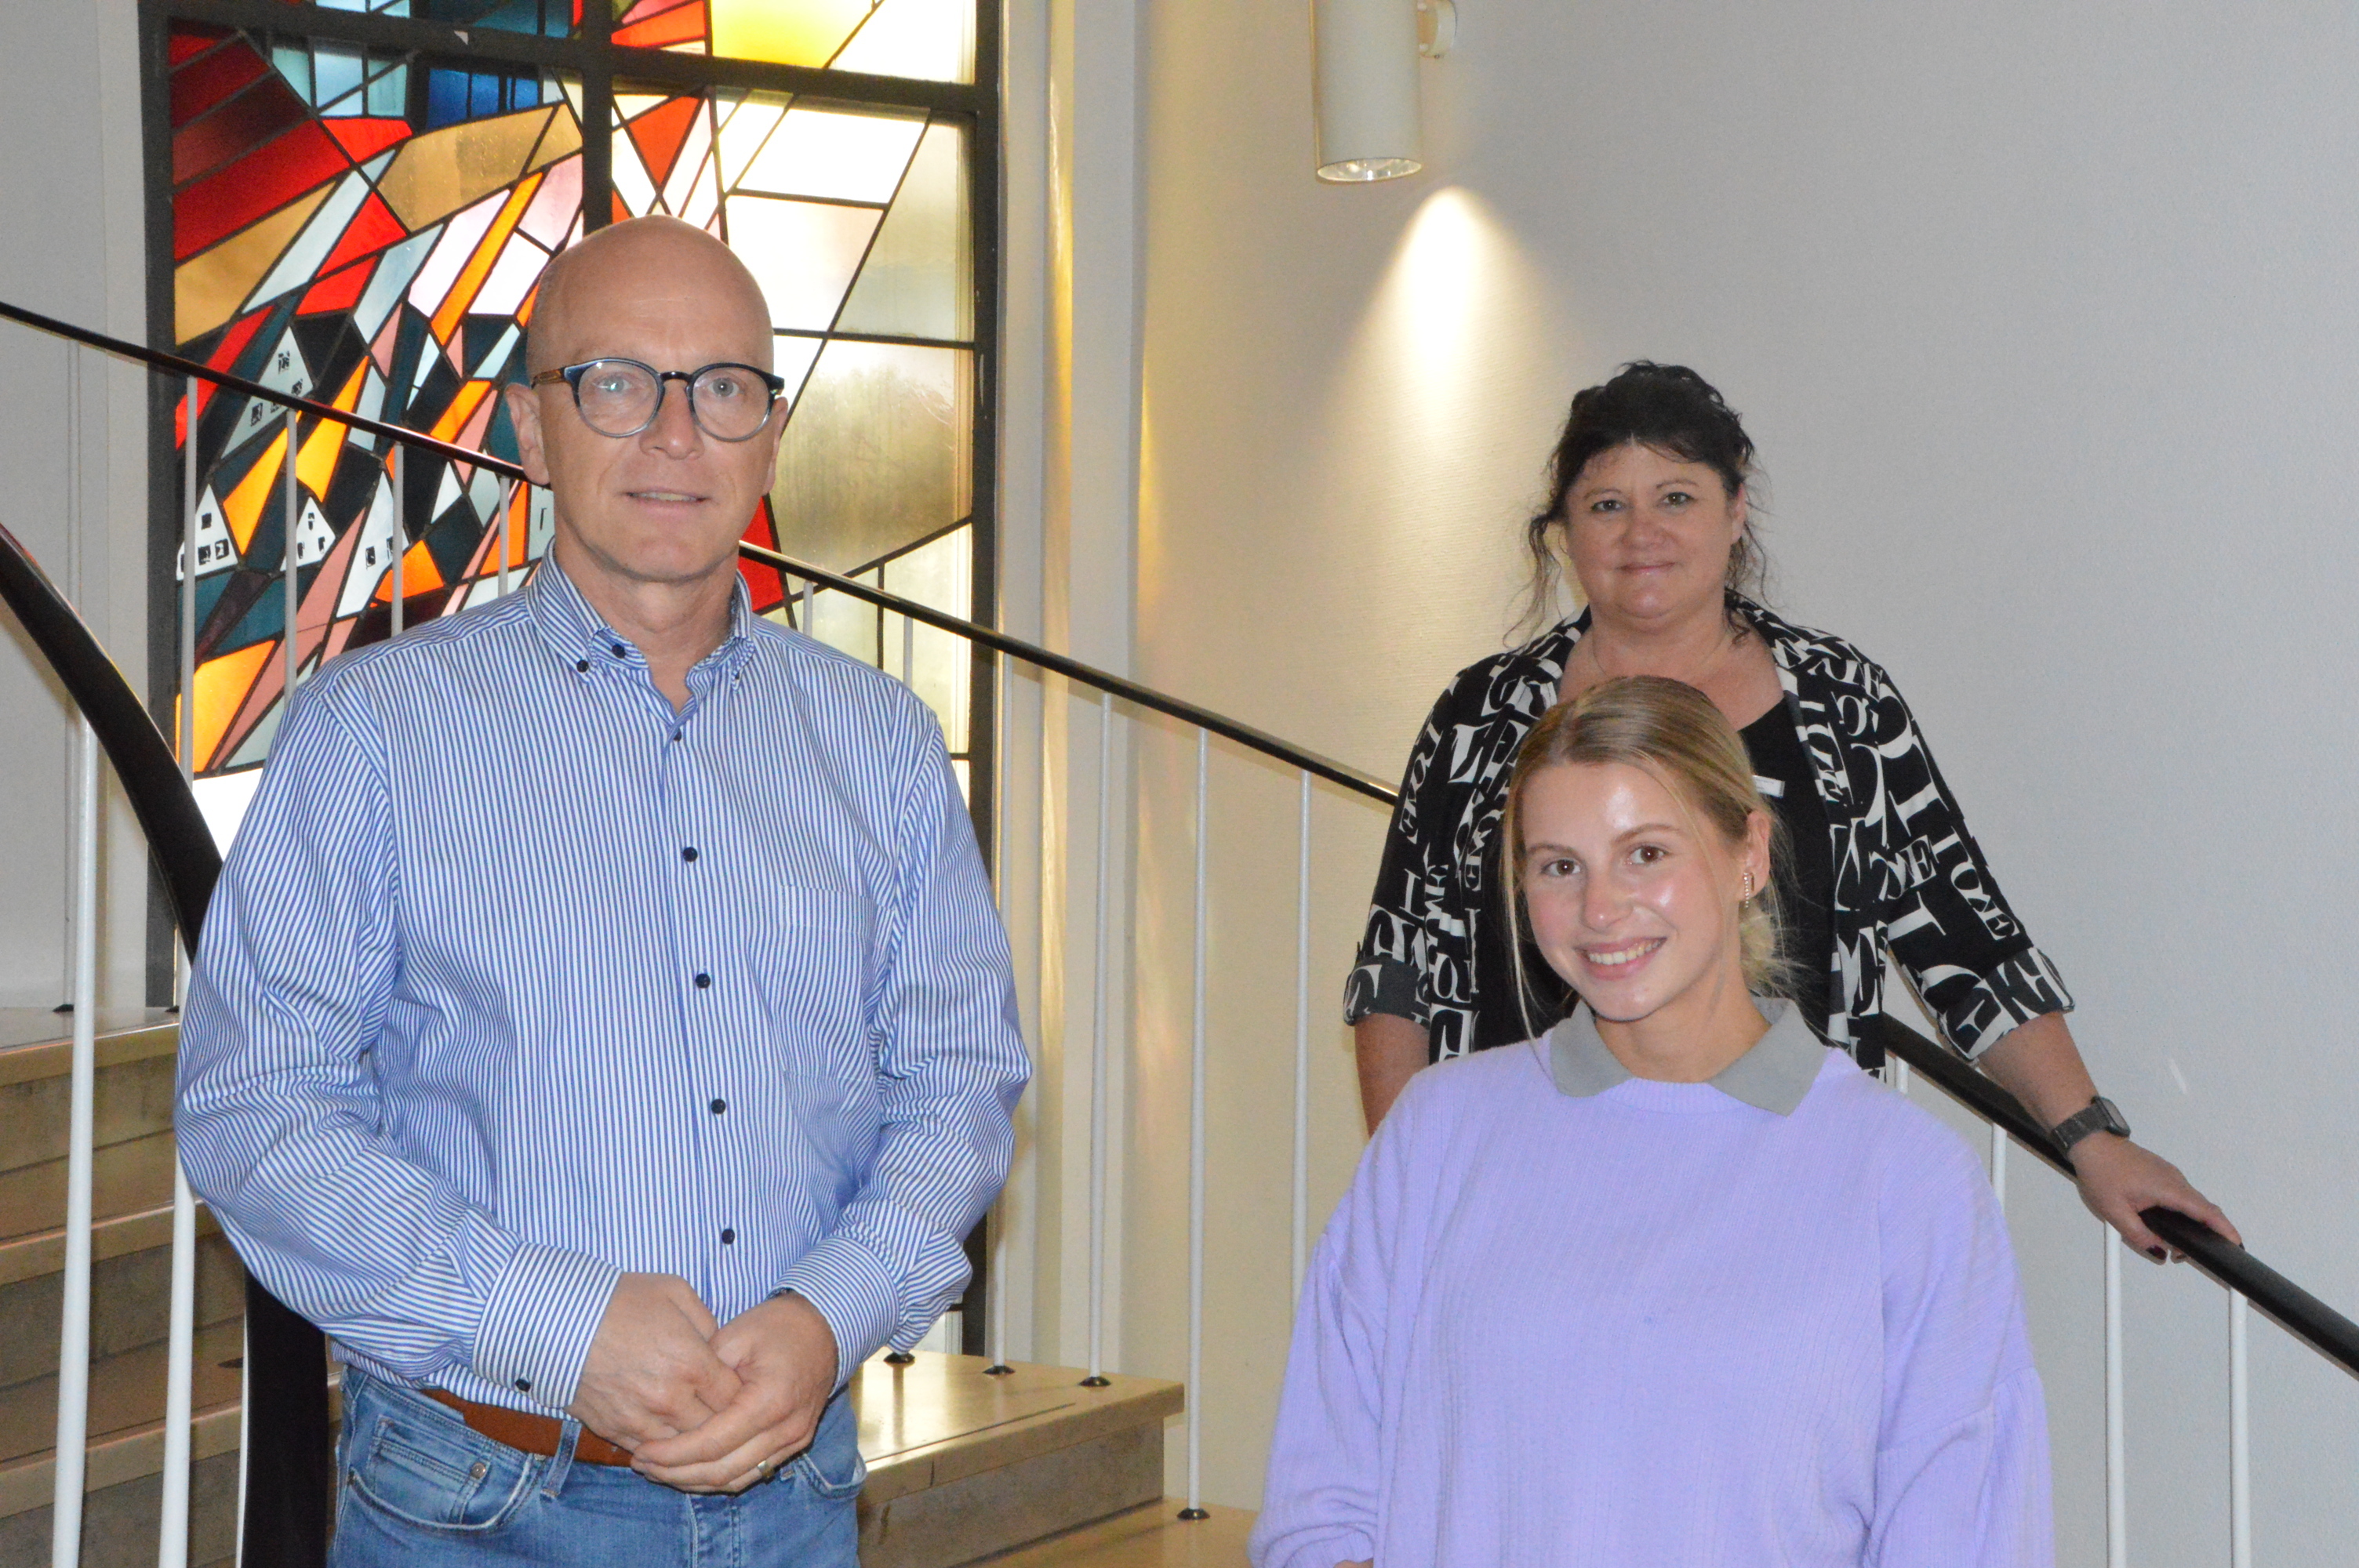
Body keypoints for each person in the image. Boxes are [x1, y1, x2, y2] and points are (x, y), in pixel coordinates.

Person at [175, 216, 1029, 1564]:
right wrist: (552, 1320)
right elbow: (255, 1111)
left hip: (792, 1503)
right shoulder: (377, 732)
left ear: (770, 428)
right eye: (616, 384)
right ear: (531, 426)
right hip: (475, 1505)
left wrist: (828, 1315)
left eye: (723, 389)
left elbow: (959, 1082)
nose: (675, 437)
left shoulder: (879, 744)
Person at [1347, 361, 2233, 1263]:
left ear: (1735, 514)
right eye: (1605, 504)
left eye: (1676, 496)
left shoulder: (1839, 706)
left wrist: (2089, 1136)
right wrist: (1403, 1192)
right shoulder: (1479, 717)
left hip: (1782, 1204)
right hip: (1524, 1202)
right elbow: (1398, 968)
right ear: (1563, 530)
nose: (1639, 532)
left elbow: (1963, 937)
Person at [1254, 677, 2053, 1567]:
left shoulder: (1904, 1178)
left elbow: (1960, 1537)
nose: (1599, 909)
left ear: (1746, 851)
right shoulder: (1437, 1132)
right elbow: (1323, 1505)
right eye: (1560, 864)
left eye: (1644, 853)